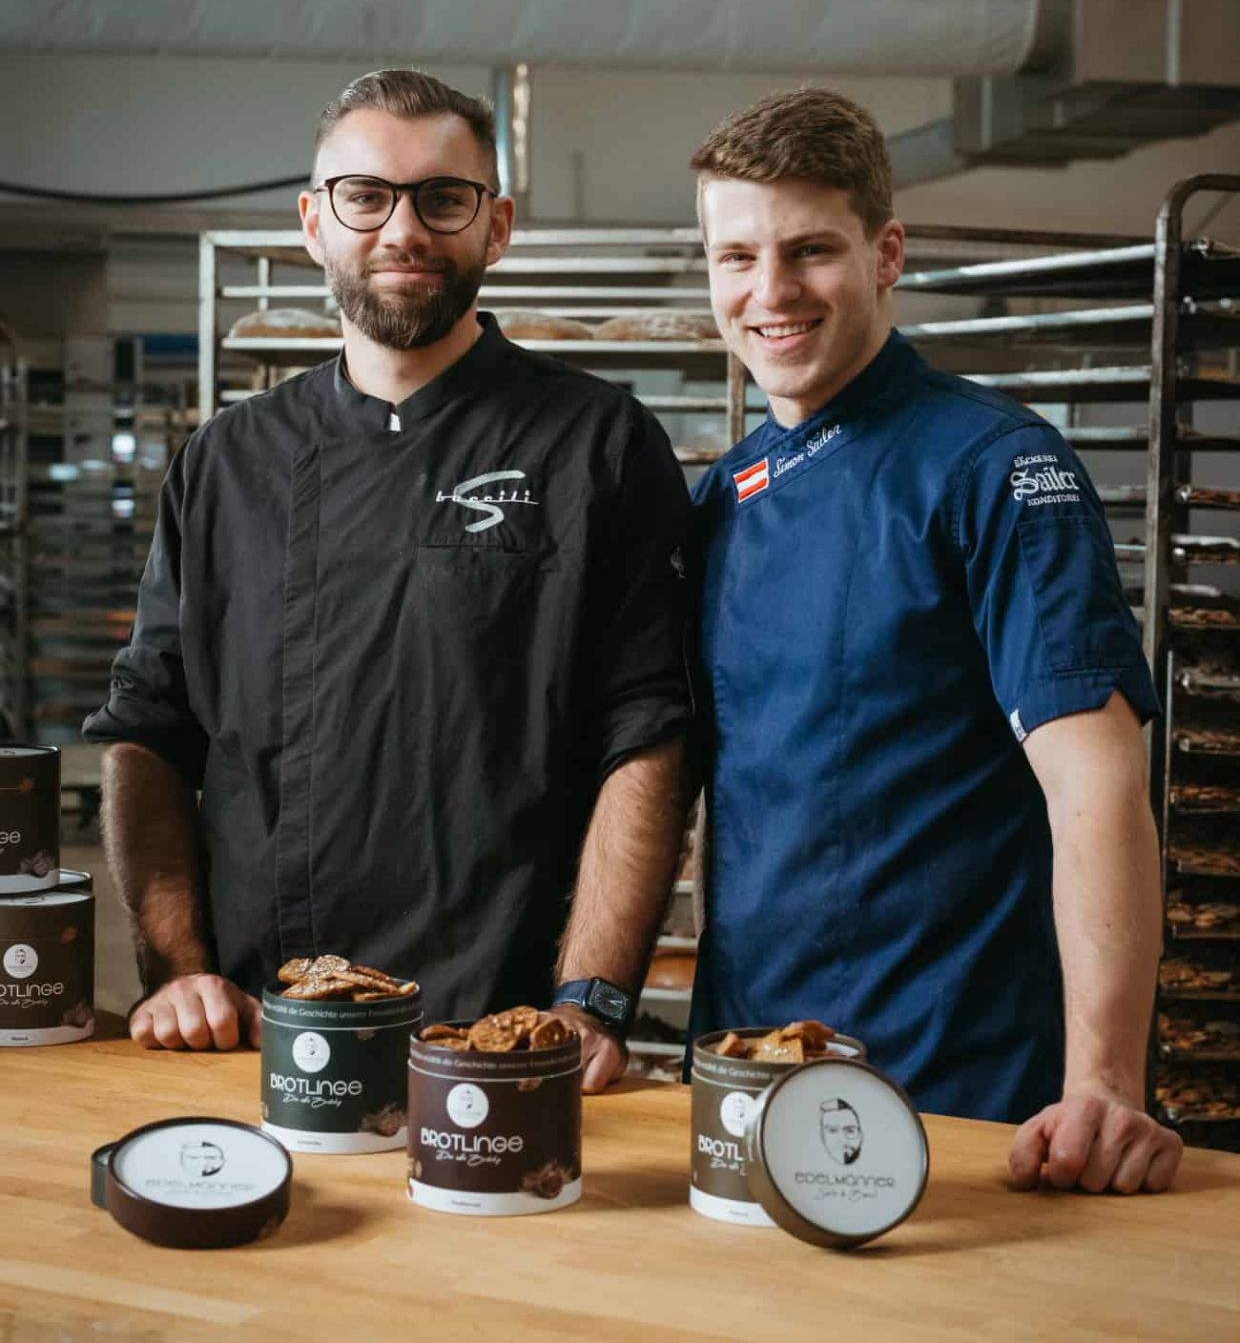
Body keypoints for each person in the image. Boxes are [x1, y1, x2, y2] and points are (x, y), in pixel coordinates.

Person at [85, 69, 691, 1089]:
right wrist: (176, 973)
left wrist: (589, 998)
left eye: (441, 198)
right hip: (259, 1029)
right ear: (314, 222)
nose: (401, 228)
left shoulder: (598, 442)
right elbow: (150, 724)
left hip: (509, 1032)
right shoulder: (226, 461)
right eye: (366, 196)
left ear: (495, 225)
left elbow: (649, 731)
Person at [687, 87, 1183, 1194]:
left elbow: (1096, 786)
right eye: (734, 256)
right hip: (747, 1079)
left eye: (809, 249)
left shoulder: (993, 466)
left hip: (953, 1089)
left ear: (886, 252)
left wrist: (1103, 1078)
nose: (768, 292)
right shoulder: (726, 494)